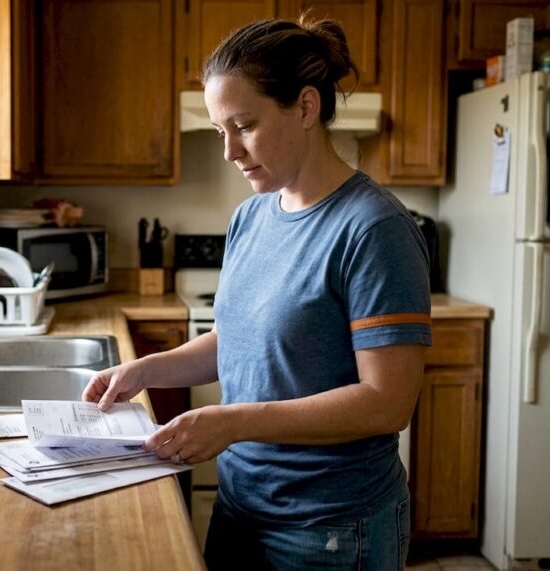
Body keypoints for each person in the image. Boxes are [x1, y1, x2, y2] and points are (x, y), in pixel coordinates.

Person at [82, 13, 431, 571]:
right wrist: (148, 369)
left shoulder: (373, 229)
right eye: (221, 130)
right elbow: (239, 340)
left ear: (307, 107)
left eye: (243, 125)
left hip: (330, 527)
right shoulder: (251, 217)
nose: (229, 151)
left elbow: (388, 403)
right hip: (242, 505)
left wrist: (234, 420)